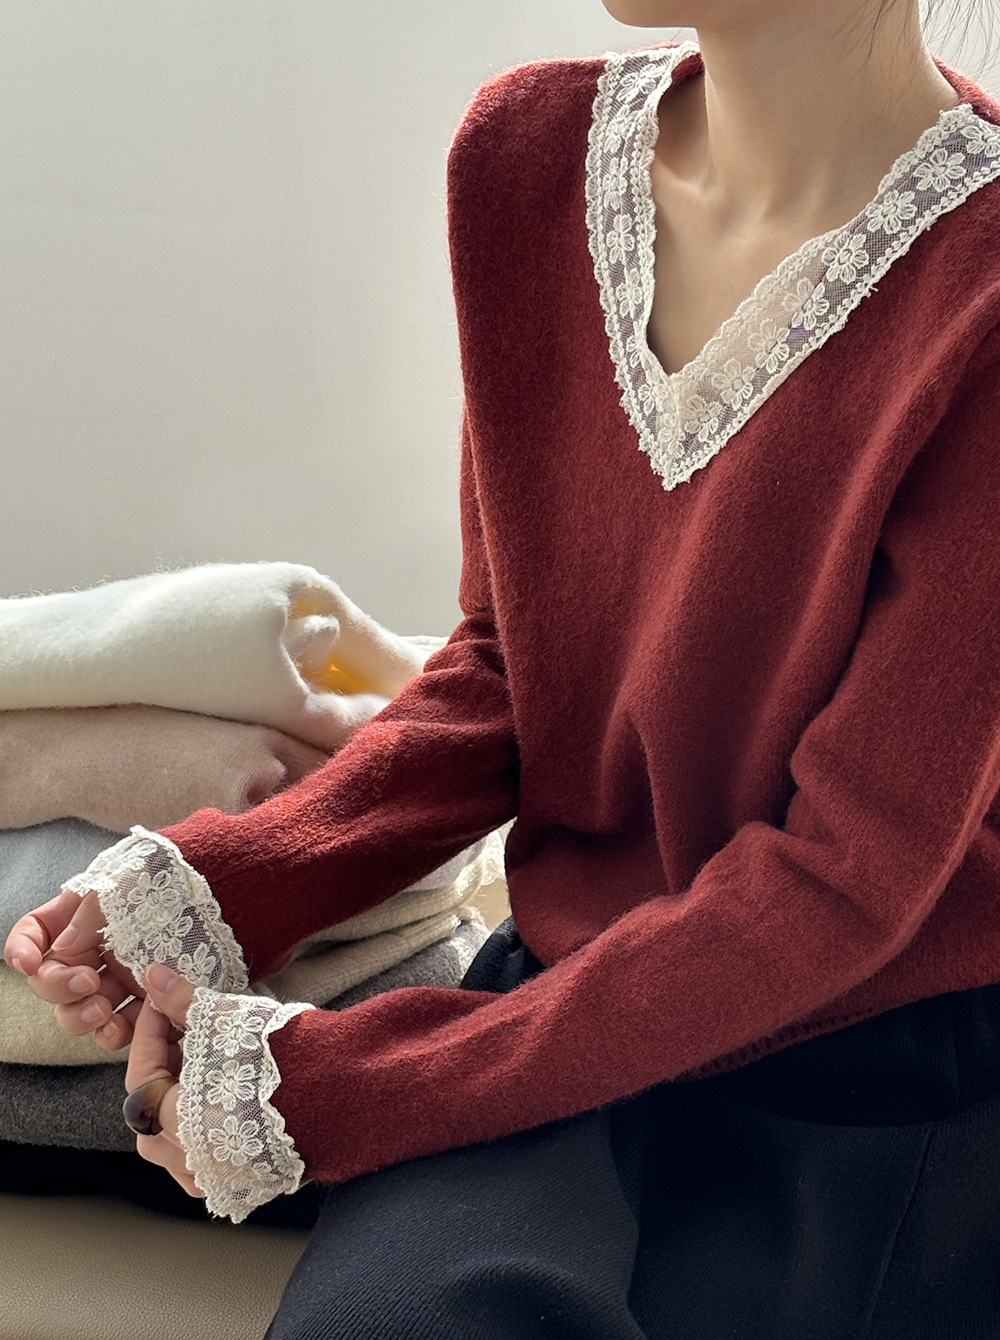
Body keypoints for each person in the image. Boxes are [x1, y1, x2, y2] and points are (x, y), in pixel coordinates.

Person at [7, 0, 1000, 1333]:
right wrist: (225, 884)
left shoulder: (984, 289)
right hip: (557, 999)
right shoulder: (527, 156)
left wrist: (350, 1084)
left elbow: (847, 878)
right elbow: (509, 670)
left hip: (863, 1068)